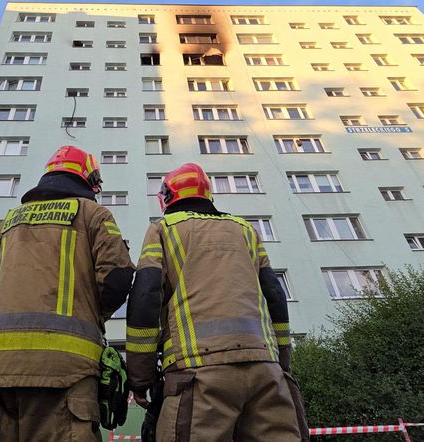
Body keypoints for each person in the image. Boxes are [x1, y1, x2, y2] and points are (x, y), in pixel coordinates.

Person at [0, 145, 135, 441]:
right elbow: (118, 277)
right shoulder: (93, 214)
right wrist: (92, 315)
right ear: (90, 180)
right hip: (65, 371)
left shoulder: (7, 223)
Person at [126, 163, 301, 441]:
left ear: (166, 197)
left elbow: (145, 297)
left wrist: (139, 378)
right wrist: (282, 363)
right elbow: (275, 297)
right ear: (208, 196)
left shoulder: (164, 229)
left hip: (197, 374)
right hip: (265, 372)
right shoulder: (245, 230)